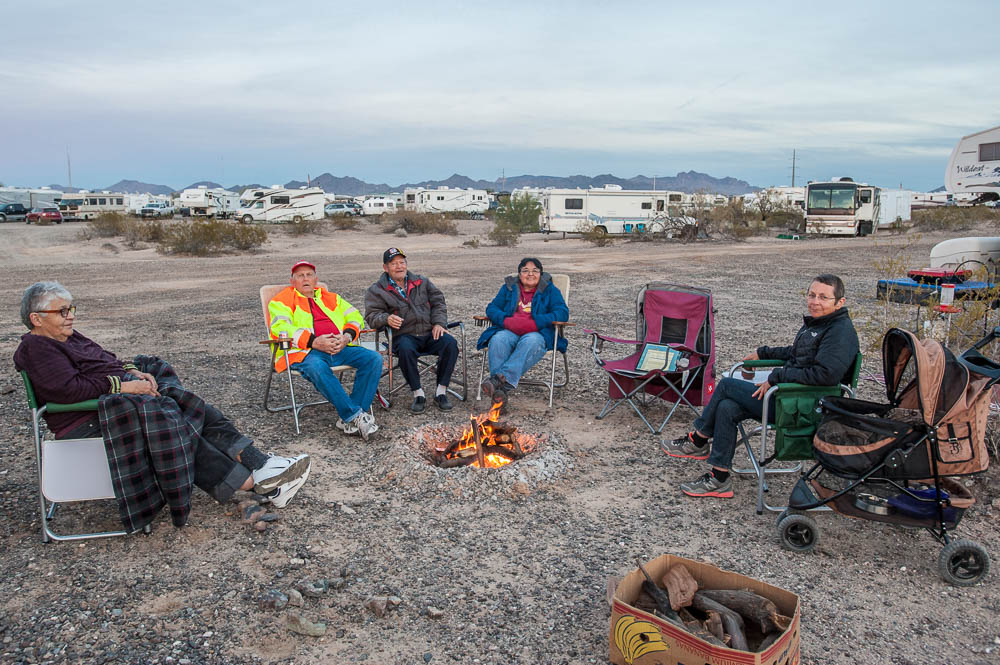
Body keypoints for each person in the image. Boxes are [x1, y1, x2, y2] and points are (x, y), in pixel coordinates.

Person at [13, 281, 311, 533]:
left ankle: (260, 466)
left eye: (71, 309)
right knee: (173, 421)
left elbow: (107, 358)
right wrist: (125, 386)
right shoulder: (37, 348)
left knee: (176, 399)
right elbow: (68, 391)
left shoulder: (67, 336)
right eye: (62, 311)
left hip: (110, 405)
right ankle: (258, 479)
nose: (70, 317)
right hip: (88, 420)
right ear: (37, 318)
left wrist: (133, 371)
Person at [661, 274, 860, 498]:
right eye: (812, 295)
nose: (815, 301)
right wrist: (762, 353)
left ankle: (698, 439)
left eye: (823, 297)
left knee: (727, 385)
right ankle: (719, 478)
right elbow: (796, 354)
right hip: (790, 397)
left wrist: (777, 377)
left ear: (839, 302)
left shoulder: (839, 332)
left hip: (805, 406)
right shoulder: (819, 324)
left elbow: (825, 375)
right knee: (727, 407)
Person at [268, 261, 382, 439]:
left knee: (374, 358)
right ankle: (355, 416)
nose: (305, 278)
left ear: (316, 279)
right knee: (316, 368)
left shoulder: (332, 298)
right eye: (300, 275)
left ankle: (351, 417)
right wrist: (314, 341)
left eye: (309, 275)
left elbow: (355, 316)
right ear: (293, 281)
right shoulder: (281, 301)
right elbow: (280, 328)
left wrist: (346, 337)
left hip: (339, 347)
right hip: (305, 352)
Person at [364, 247, 458, 413]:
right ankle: (418, 394)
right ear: (385, 267)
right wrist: (386, 319)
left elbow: (439, 303)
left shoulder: (422, 281)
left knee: (450, 344)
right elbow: (372, 317)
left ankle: (441, 392)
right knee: (406, 350)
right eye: (394, 263)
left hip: (430, 332)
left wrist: (439, 323)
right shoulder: (377, 290)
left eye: (402, 262)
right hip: (403, 335)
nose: (399, 266)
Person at [477, 257, 568, 406]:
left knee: (531, 341)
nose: (530, 274)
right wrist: (506, 321)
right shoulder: (509, 287)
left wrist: (536, 323)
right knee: (498, 339)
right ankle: (500, 392)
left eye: (535, 271)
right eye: (525, 271)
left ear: (541, 274)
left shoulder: (550, 290)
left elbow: (562, 312)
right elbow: (492, 308)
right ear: (519, 274)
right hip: (509, 329)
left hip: (537, 332)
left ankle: (498, 384)